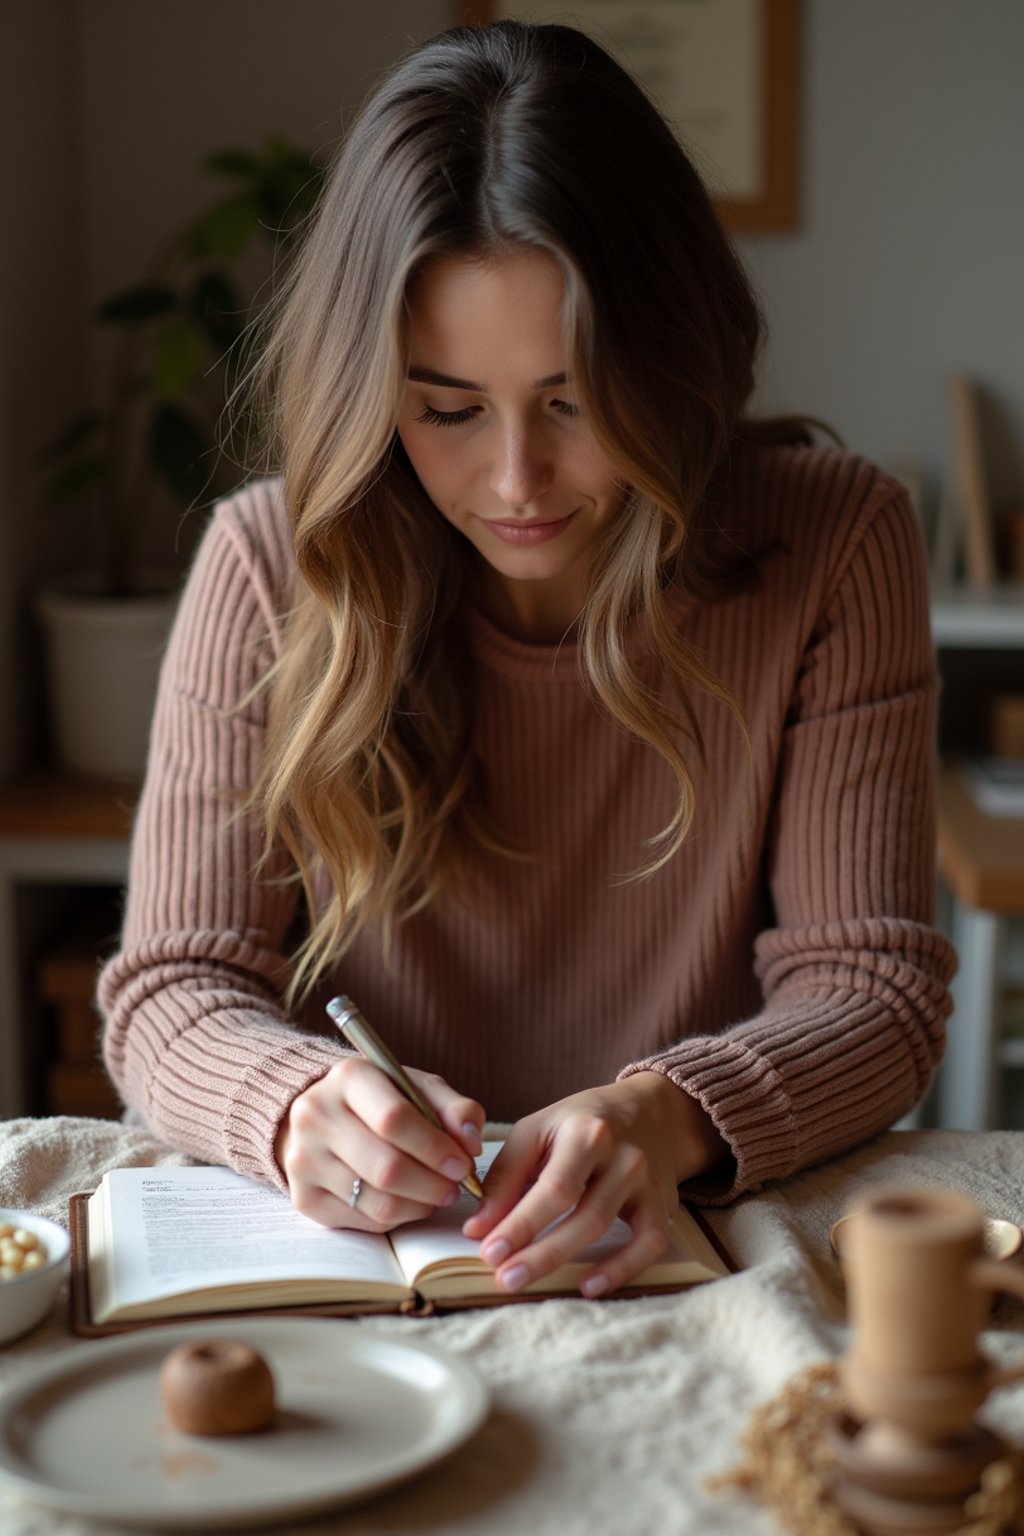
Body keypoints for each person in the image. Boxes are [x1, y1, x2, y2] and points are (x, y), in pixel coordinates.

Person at [98, 19, 956, 1300]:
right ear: (367, 389)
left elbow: (873, 991)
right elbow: (171, 986)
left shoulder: (835, 541)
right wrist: (294, 1103)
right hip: (363, 1278)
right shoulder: (272, 563)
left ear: (671, 356)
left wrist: (660, 1117)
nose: (512, 482)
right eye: (446, 409)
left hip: (682, 1255)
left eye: (573, 400)